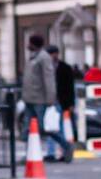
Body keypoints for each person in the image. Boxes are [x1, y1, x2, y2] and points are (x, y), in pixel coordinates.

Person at [21, 33, 70, 161]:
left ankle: (66, 145)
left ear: (33, 44)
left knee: (45, 128)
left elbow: (49, 79)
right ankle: (28, 156)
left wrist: (50, 99)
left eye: (29, 43)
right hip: (30, 99)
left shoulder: (44, 58)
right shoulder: (33, 57)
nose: (27, 45)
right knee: (28, 129)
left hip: (40, 100)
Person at [46, 45, 77, 162]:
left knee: (59, 128)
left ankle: (63, 151)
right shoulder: (45, 67)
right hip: (49, 101)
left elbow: (70, 87)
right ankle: (51, 152)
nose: (52, 56)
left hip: (61, 101)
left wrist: (71, 103)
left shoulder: (65, 68)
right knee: (50, 127)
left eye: (53, 54)